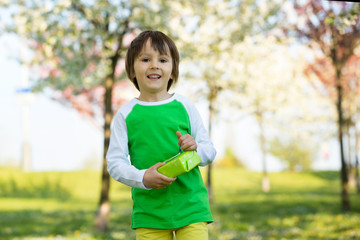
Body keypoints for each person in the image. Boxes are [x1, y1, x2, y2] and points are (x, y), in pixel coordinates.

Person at [106, 30, 216, 240]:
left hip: (191, 207)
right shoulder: (126, 115)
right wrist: (143, 177)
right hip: (150, 213)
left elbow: (209, 150)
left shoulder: (184, 105)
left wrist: (195, 148)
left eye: (163, 60)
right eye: (146, 59)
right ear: (132, 70)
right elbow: (115, 163)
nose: (154, 65)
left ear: (173, 71)